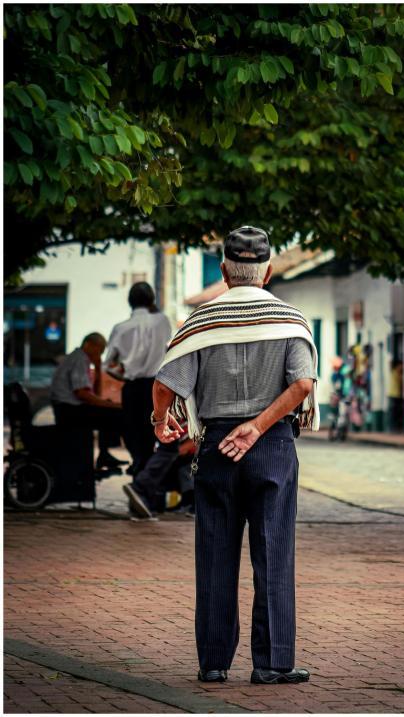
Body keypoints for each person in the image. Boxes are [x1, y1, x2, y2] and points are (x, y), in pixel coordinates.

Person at [146, 225, 319, 686]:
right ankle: (273, 663)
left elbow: (165, 384)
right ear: (266, 273)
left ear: (224, 270)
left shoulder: (200, 322)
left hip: (218, 448)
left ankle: (214, 663)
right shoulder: (290, 320)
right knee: (275, 555)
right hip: (274, 445)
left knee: (215, 555)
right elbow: (303, 385)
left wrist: (161, 422)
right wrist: (259, 426)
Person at [104, 282, 171, 476]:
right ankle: (147, 479)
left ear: (129, 302)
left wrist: (122, 375)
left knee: (133, 434)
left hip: (132, 387)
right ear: (151, 300)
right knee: (153, 434)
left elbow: (107, 364)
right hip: (156, 387)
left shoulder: (120, 328)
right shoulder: (162, 321)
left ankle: (139, 468)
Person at [51, 333, 125, 469]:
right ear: (88, 345)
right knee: (116, 413)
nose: (101, 353)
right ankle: (105, 455)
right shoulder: (79, 359)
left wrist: (97, 368)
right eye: (100, 349)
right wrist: (111, 405)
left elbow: (96, 394)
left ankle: (104, 453)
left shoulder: (80, 358)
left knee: (110, 409)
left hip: (71, 408)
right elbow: (82, 394)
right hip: (69, 410)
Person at [123, 420, 196, 518]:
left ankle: (190, 502)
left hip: (187, 458)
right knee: (165, 455)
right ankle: (142, 494)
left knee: (182, 467)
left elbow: (194, 442)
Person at [388, 360, 404, 432]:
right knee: (394, 411)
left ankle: (397, 426)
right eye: (400, 366)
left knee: (398, 411)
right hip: (393, 394)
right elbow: (390, 364)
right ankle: (393, 427)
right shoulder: (393, 372)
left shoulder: (400, 374)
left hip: (398, 394)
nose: (401, 367)